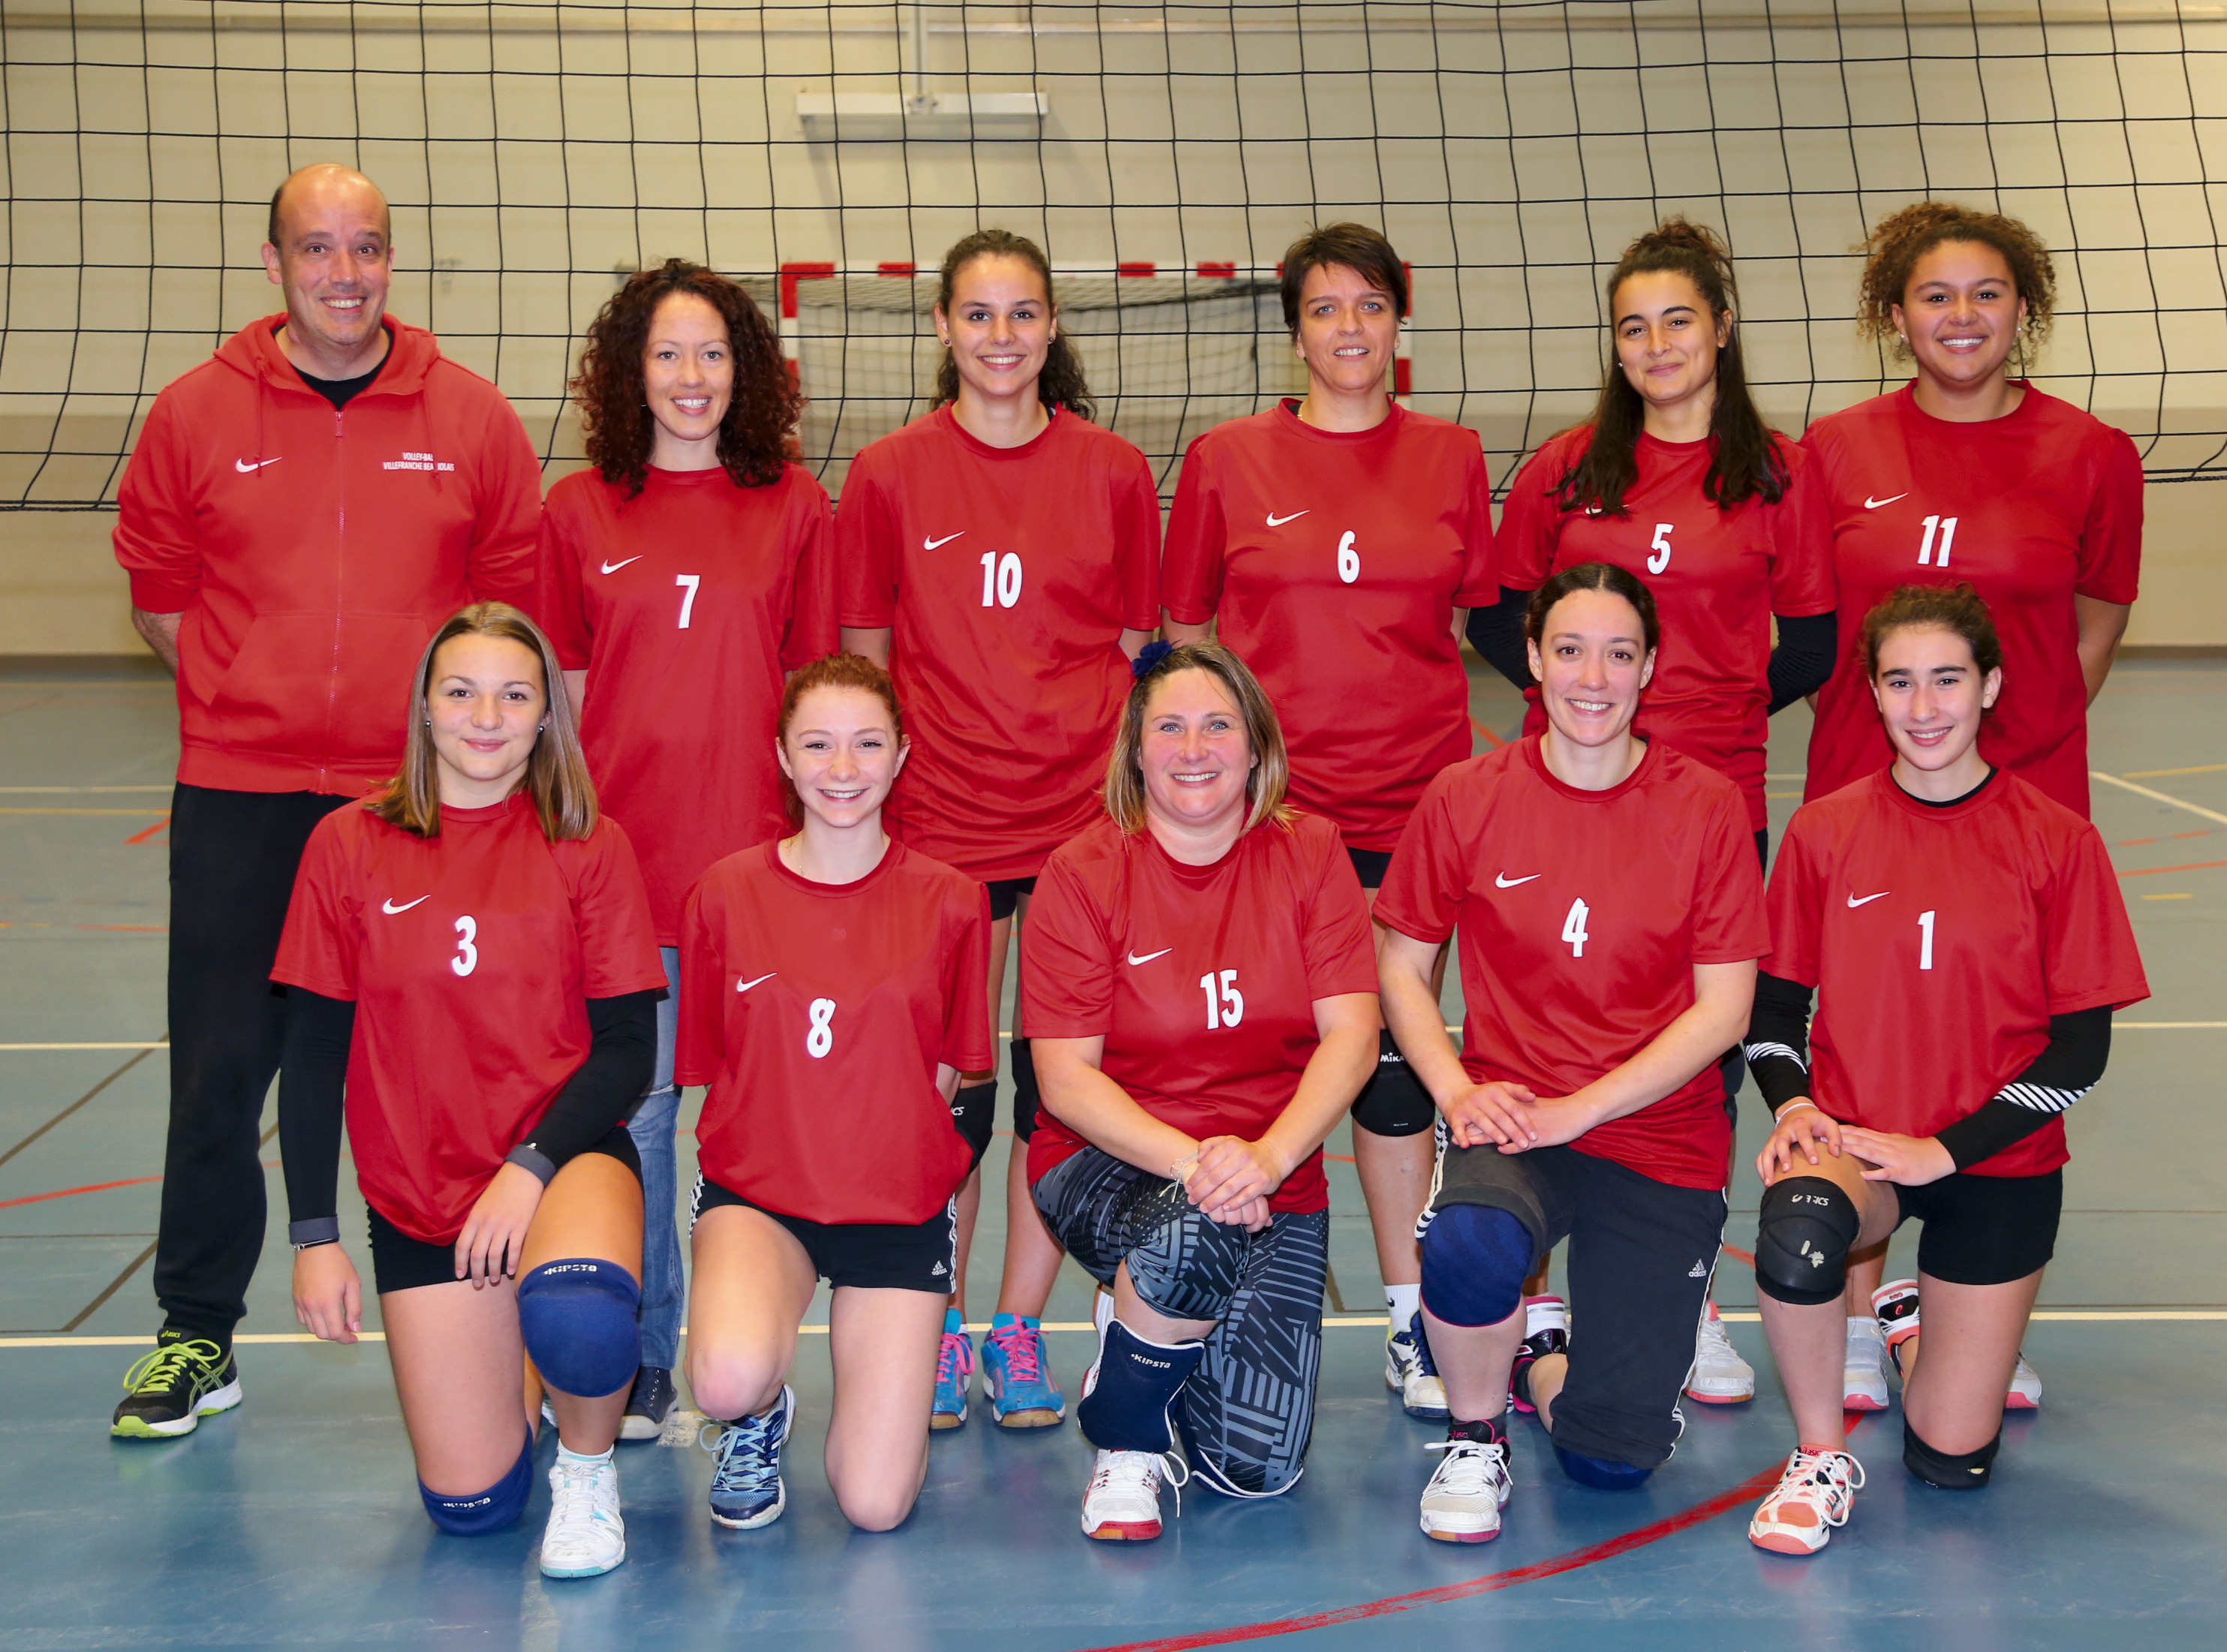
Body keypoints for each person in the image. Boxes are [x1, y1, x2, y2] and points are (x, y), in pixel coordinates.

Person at [107, 164, 542, 1437]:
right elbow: (159, 598)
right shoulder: (195, 411)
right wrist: (254, 697)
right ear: (273, 262)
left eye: (366, 248)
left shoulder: (470, 415)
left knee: (456, 1070)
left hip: (415, 802)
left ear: (391, 260)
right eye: (317, 248)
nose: (344, 274)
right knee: (220, 1072)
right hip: (243, 794)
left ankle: (501, 1316)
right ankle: (197, 1332)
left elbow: (504, 613)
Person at [1469, 218, 1837, 1405]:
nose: (1656, 343)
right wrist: (1580, 716)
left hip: (1708, 805)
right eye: (1632, 327)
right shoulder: (1566, 469)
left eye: (1677, 319)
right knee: (1539, 1023)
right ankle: (1527, 1292)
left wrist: (1710, 706)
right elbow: (1497, 615)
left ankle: (1685, 1291)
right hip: (1564, 798)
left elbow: (1815, 639)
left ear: (1719, 329)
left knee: (1699, 1047)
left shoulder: (1776, 472)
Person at [1798, 202, 2143, 1408]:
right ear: (1893, 316)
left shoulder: (2091, 453)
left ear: (2022, 309)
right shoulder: (1833, 449)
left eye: (1985, 293)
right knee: (1861, 1037)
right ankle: (1856, 1314)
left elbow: (2097, 615)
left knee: (2001, 1040)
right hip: (1863, 791)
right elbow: (1806, 620)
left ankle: (1965, 1309)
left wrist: (2016, 737)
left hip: (2021, 795)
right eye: (1933, 296)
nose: (1960, 316)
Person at [1161, 223, 1499, 1422]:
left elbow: (1468, 622)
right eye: (1322, 307)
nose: (1347, 328)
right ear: (1292, 329)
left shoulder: (1452, 457)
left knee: (1394, 1072)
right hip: (1268, 821)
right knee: (1245, 1057)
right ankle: (1186, 1304)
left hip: (1413, 808)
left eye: (1368, 305)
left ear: (1398, 321)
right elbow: (1187, 635)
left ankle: (1409, 1318)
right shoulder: (1225, 459)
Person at [1741, 585, 2147, 1554]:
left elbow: (2079, 1050)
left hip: (1997, 1162)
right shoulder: (1825, 831)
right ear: (1872, 694)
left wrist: (1945, 1149)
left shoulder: (2056, 840)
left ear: (1989, 686)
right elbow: (1771, 1013)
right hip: (1861, 1150)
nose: (1923, 708)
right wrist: (1794, 1104)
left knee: (1950, 1456)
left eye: (1946, 680)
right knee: (1798, 1226)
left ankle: (1909, 1320)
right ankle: (1818, 1453)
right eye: (1898, 683)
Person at [838, 229, 1161, 1431]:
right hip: (941, 821)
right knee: (947, 1090)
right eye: (977, 315)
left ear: (1051, 327)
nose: (1000, 337)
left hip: (1079, 820)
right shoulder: (886, 475)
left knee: (1057, 1087)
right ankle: (936, 1321)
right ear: (940, 327)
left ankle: (1018, 1326)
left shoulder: (1112, 471)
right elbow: (864, 660)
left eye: (1022, 313)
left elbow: (1135, 648)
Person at [1376, 564, 1766, 1543]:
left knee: (1610, 1459)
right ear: (1533, 659)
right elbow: (1401, 966)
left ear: (1649, 667)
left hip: (1659, 1135)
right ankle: (1475, 1434)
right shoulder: (1467, 795)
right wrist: (1455, 1090)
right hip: (1514, 1117)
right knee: (1467, 1239)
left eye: (1617, 653)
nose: (1592, 678)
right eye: (1569, 650)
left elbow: (1725, 1009)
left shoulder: (1706, 805)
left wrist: (1580, 1109)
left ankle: (1536, 1360)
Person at [277, 604, 666, 1578]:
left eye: (514, 694)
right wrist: (315, 1237)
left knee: (579, 1313)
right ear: (424, 706)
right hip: (421, 1190)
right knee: (474, 1507)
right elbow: (313, 1052)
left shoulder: (588, 843)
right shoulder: (346, 843)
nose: (486, 717)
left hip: (561, 1156)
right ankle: (519, 1367)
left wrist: (528, 1168)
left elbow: (627, 1049)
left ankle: (586, 1466)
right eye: (461, 691)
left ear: (546, 714)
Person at [537, 258, 837, 1440]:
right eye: (666, 353)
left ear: (746, 370)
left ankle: (751, 1359)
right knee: (647, 1121)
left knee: (763, 1124)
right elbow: (560, 706)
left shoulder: (794, 506)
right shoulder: (577, 511)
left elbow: (820, 699)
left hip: (762, 875)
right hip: (629, 878)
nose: (691, 375)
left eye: (712, 351)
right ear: (630, 373)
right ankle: (653, 1355)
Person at [1024, 641, 1379, 1539]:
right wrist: (1201, 1165)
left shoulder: (1312, 851)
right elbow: (1065, 1078)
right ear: (1136, 750)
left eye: (1218, 725)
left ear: (1255, 746)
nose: (1193, 748)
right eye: (1170, 727)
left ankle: (1144, 1332)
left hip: (1271, 1174)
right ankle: (1127, 1431)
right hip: (1112, 1164)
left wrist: (1268, 1156)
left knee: (1254, 1469)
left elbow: (1353, 1034)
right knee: (1189, 1235)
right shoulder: (1083, 870)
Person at [679, 654, 992, 1533]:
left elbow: (957, 1072)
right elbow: (718, 1062)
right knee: (725, 1376)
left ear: (902, 755)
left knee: (875, 1503)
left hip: (895, 1209)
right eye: (818, 744)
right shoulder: (723, 894)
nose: (843, 767)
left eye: (867, 743)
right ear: (783, 755)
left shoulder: (953, 901)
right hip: (761, 1197)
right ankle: (755, 1413)